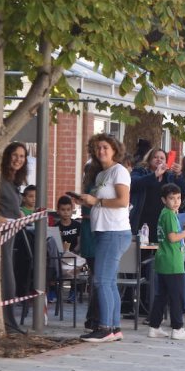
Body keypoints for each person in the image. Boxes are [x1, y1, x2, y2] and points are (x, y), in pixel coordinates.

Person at [75, 133, 131, 343]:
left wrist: (96, 201)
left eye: (105, 147)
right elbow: (99, 201)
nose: (101, 151)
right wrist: (86, 201)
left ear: (115, 150)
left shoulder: (119, 171)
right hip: (102, 231)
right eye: (98, 148)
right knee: (109, 282)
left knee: (102, 280)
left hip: (114, 232)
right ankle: (114, 327)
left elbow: (123, 201)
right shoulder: (101, 175)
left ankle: (105, 327)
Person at [146, 184, 185, 339]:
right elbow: (172, 238)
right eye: (171, 198)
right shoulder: (169, 214)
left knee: (161, 295)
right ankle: (177, 328)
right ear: (164, 200)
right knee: (177, 296)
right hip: (172, 261)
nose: (176, 201)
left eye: (178, 198)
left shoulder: (166, 213)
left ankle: (154, 326)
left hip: (164, 259)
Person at [0, 142, 29, 334]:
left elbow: (10, 205)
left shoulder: (14, 181)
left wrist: (19, 214)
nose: (18, 159)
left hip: (10, 236)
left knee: (10, 279)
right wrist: (1, 219)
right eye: (15, 155)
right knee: (6, 280)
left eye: (22, 156)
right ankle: (8, 324)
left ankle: (8, 322)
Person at [129, 148, 185, 242]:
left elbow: (183, 192)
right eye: (155, 157)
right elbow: (134, 184)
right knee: (142, 248)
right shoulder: (140, 171)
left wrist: (179, 175)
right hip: (142, 217)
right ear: (149, 159)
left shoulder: (168, 176)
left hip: (162, 217)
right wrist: (155, 174)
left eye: (162, 158)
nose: (159, 160)